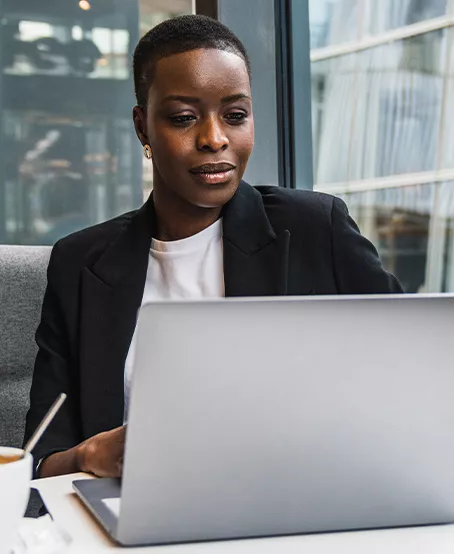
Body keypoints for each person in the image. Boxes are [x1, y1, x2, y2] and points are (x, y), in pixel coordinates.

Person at [24, 15, 402, 479]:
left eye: (235, 115)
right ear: (143, 128)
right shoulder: (80, 262)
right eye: (184, 118)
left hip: (300, 496)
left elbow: (411, 372)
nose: (215, 138)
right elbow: (40, 457)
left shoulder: (314, 228)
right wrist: (87, 457)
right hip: (133, 513)